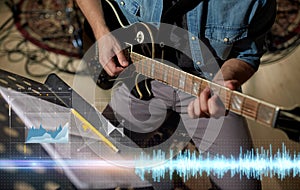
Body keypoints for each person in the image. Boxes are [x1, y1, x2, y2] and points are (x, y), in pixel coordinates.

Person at [76, 0, 276, 189]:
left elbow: (246, 55)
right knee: (87, 171)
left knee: (243, 185)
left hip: (203, 86)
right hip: (139, 80)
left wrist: (223, 81)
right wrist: (101, 32)